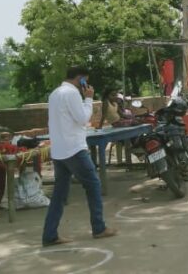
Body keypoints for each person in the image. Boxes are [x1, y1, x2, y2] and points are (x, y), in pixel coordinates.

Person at [42, 67, 117, 247]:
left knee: (59, 194)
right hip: (74, 148)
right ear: (81, 79)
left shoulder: (55, 93)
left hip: (59, 150)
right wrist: (89, 98)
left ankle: (49, 234)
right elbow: (83, 118)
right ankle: (99, 227)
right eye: (86, 81)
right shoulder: (72, 93)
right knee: (93, 184)